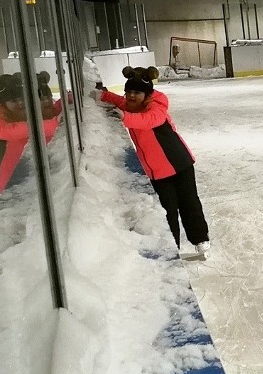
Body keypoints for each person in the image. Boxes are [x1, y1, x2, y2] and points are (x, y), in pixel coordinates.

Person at [90, 66, 210, 255]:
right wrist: (101, 95)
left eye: (137, 92)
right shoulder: (130, 106)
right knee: (167, 211)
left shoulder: (156, 108)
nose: (130, 96)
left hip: (179, 163)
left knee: (189, 203)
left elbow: (148, 120)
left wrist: (125, 117)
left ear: (147, 94)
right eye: (128, 91)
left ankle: (200, 238)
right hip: (156, 171)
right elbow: (119, 100)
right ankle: (174, 247)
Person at [0, 72, 61, 217]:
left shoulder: (17, 114)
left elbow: (45, 116)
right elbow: (12, 131)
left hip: (10, 182)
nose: (20, 103)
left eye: (22, 98)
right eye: (14, 100)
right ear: (3, 103)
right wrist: (54, 124)